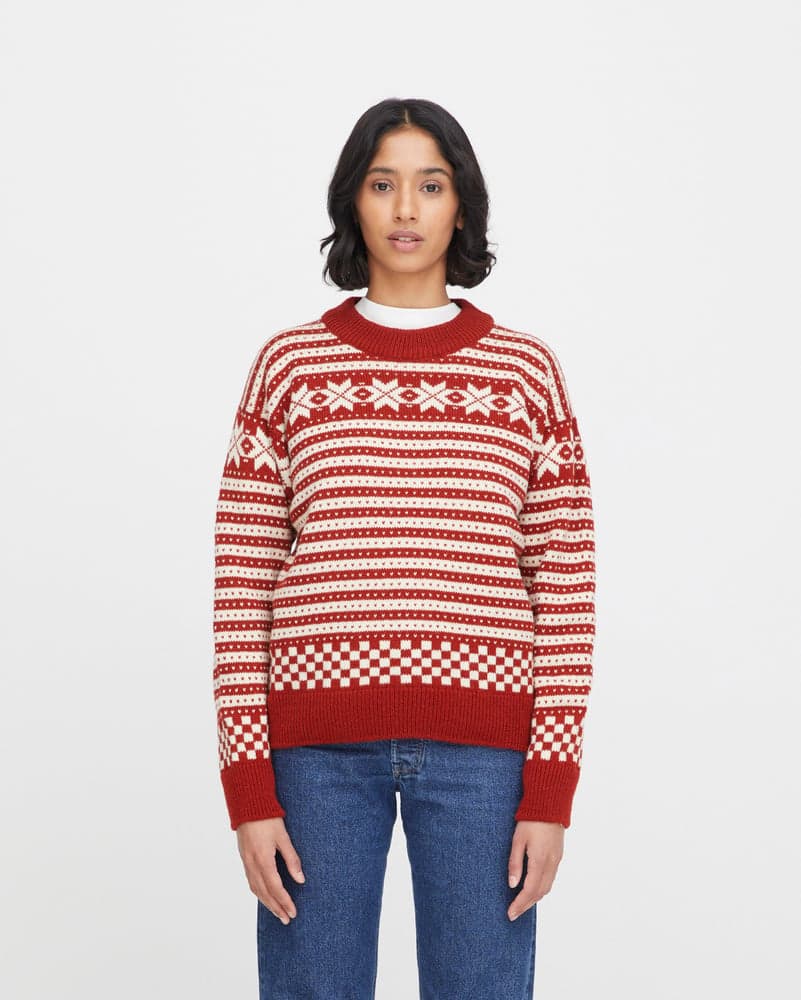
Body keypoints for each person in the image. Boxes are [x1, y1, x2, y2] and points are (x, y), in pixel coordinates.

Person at [212, 97, 597, 999]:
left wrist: (550, 791)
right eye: (382, 185)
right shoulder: (290, 366)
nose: (406, 209)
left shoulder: (525, 372)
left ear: (462, 205)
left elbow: (565, 587)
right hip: (312, 755)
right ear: (353, 200)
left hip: (484, 755)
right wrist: (248, 788)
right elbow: (240, 584)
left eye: (431, 185)